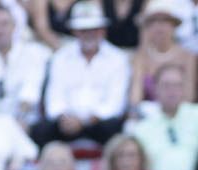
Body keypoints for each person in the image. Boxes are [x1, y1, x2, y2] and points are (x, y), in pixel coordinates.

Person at [31, 1, 131, 146]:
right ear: (74, 32)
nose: (89, 34)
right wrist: (65, 118)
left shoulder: (118, 59)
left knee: (113, 127)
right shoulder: (61, 57)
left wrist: (86, 120)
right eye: (83, 30)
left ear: (103, 30)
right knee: (40, 130)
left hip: (99, 123)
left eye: (94, 29)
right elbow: (54, 98)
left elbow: (115, 104)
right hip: (66, 122)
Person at [126, 63, 198, 170]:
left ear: (184, 88)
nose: (172, 91)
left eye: (177, 85)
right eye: (166, 85)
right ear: (155, 89)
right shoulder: (142, 127)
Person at [128, 0, 196, 107]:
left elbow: (189, 97)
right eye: (153, 22)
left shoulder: (187, 56)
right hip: (150, 113)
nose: (159, 26)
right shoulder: (140, 58)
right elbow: (135, 96)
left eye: (165, 21)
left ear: (173, 26)